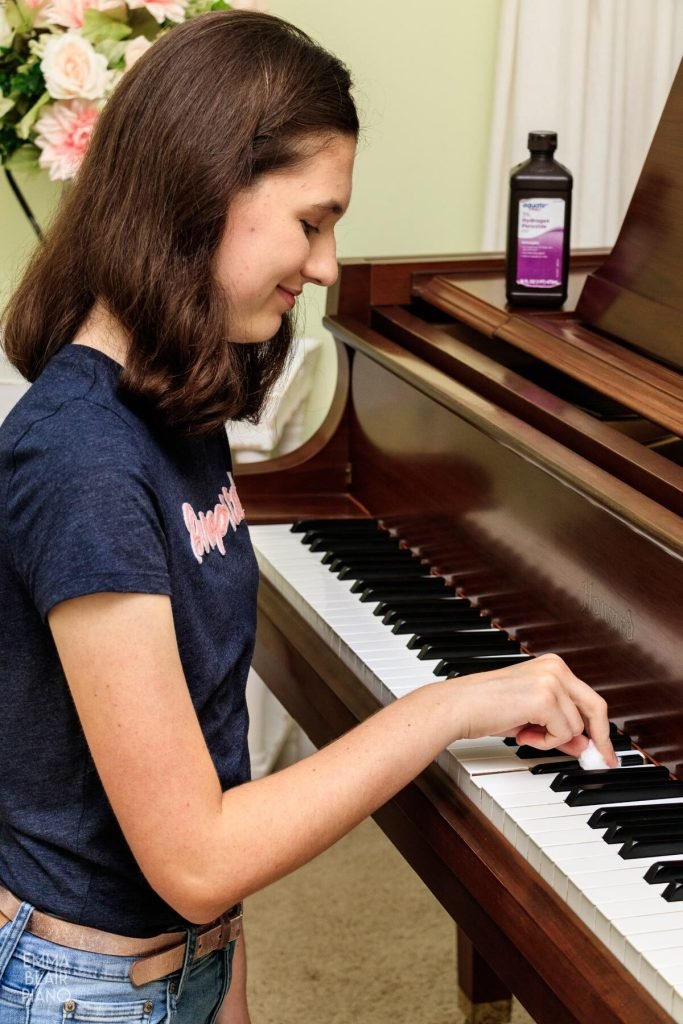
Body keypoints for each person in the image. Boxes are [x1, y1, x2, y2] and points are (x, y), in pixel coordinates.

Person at [0, 10, 616, 1024]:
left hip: (180, 962)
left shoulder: (170, 398)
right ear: (207, 191)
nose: (327, 264)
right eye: (312, 221)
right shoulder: (79, 458)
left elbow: (204, 749)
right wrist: (447, 705)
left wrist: (223, 974)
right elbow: (194, 854)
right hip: (83, 993)